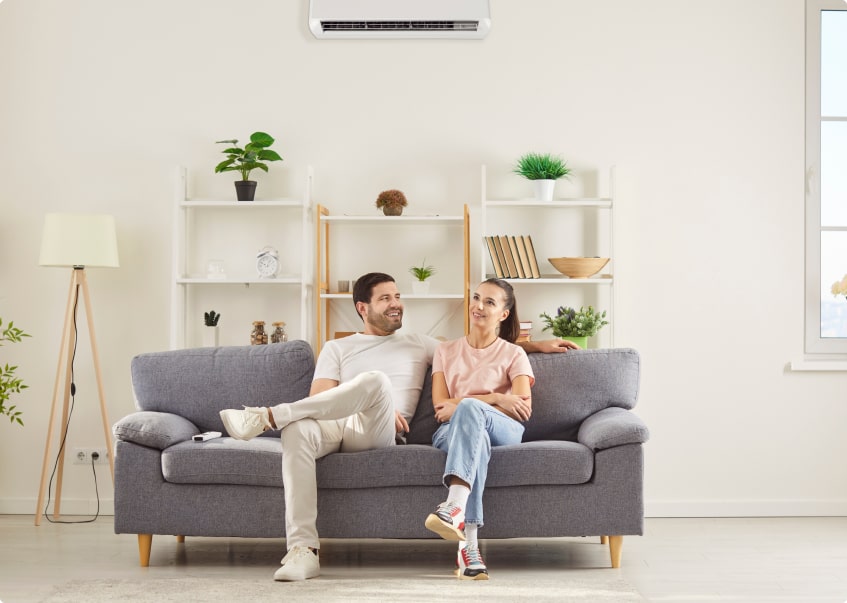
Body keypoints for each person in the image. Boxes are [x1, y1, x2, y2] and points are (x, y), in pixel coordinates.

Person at [219, 272, 577, 582]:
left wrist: (535, 345)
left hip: (377, 432)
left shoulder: (420, 343)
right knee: (297, 430)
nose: (396, 304)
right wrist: (368, 399)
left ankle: (268, 416)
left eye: (398, 297)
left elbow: (486, 345)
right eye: (386, 298)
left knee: (375, 381)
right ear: (363, 307)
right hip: (336, 423)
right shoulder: (337, 347)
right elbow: (319, 401)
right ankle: (302, 550)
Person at [424, 278, 534, 581]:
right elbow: (440, 407)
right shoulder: (445, 351)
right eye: (476, 298)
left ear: (503, 314)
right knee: (478, 439)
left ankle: (454, 506)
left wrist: (477, 405)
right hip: (453, 432)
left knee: (470, 410)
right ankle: (469, 547)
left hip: (506, 430)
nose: (478, 306)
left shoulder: (514, 354)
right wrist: (499, 397)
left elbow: (522, 407)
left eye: (489, 302)